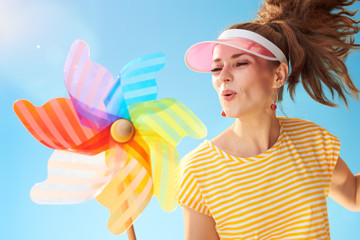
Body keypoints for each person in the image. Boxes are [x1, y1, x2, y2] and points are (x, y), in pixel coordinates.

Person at [174, 0, 360, 239]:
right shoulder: (197, 172)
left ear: (278, 75)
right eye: (216, 68)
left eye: (240, 63)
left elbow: (354, 195)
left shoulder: (312, 140)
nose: (223, 78)